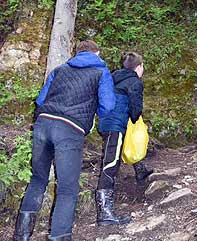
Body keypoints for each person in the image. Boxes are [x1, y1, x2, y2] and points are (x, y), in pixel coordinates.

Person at [13, 40, 116, 241]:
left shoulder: (60, 69)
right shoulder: (101, 72)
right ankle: (59, 236)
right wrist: (94, 117)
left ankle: (21, 235)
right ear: (97, 52)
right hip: (69, 130)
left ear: (76, 53)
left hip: (43, 125)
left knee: (37, 179)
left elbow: (41, 100)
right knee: (67, 189)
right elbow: (109, 105)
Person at [96, 52, 153, 226]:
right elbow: (136, 109)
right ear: (139, 67)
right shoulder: (135, 81)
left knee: (125, 146)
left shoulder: (113, 77)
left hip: (106, 122)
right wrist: (135, 118)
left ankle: (140, 170)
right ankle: (105, 213)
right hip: (115, 125)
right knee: (111, 164)